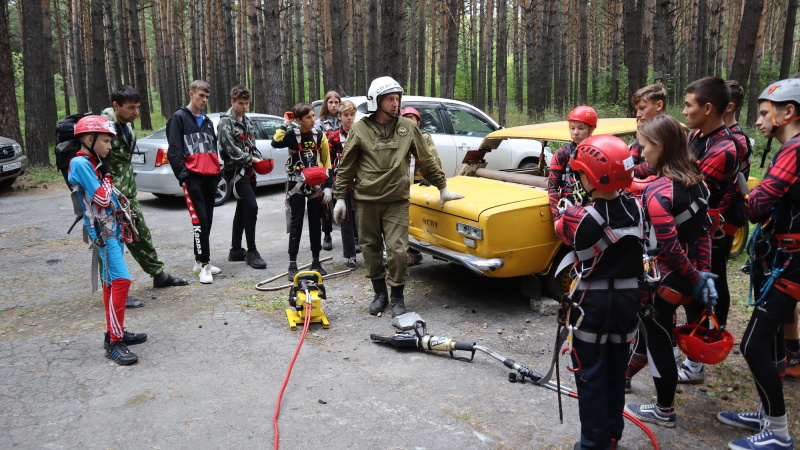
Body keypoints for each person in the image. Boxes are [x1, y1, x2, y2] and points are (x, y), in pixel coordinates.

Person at [332, 76, 463, 317]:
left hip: (396, 201)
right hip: (366, 201)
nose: (395, 104)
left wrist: (442, 187)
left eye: (397, 99)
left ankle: (398, 297)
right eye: (390, 99)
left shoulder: (407, 127)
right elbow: (347, 166)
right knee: (370, 248)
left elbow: (426, 160)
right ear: (376, 101)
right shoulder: (359, 129)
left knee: (398, 250)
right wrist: (340, 197)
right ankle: (380, 294)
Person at [716, 78, 800, 450]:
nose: (760, 120)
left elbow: (755, 207)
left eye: (766, 112)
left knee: (753, 344)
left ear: (789, 112)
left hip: (790, 263)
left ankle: (778, 432)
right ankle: (768, 415)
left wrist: (737, 180)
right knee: (775, 341)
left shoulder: (794, 151)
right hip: (784, 257)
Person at [623, 115, 715, 429]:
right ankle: (633, 377)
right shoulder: (698, 181)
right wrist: (702, 274)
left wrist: (692, 275)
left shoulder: (658, 191)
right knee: (661, 338)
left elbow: (670, 247)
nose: (641, 151)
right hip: (691, 278)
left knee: (659, 343)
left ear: (660, 146)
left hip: (661, 282)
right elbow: (704, 233)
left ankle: (664, 410)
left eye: (644, 145)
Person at [553, 134, 644, 450]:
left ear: (588, 176)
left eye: (579, 173)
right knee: (616, 371)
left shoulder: (582, 218)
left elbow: (561, 228)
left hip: (593, 303)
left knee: (591, 375)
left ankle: (592, 444)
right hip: (628, 302)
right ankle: (612, 434)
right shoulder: (638, 208)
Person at [68, 115, 147, 365]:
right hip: (103, 230)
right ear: (90, 140)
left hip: (113, 227)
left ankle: (116, 332)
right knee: (121, 280)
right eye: (106, 141)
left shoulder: (94, 162)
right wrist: (109, 178)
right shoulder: (81, 163)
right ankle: (115, 342)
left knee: (111, 282)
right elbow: (102, 199)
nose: (110, 147)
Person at [101, 86, 189, 308]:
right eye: (131, 108)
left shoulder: (126, 127)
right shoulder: (103, 129)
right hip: (109, 199)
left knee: (141, 234)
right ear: (116, 106)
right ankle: (115, 291)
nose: (136, 112)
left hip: (127, 195)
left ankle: (158, 275)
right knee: (113, 245)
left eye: (138, 107)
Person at [678, 76, 740, 384]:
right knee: (686, 290)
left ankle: (696, 363)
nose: (685, 110)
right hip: (689, 228)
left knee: (701, 293)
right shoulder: (695, 135)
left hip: (706, 234)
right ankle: (687, 349)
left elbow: (689, 183)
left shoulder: (724, 147)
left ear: (708, 108)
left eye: (689, 105)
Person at [166, 80, 221, 284]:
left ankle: (200, 260)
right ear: (191, 94)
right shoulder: (179, 118)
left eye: (207, 97)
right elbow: (174, 149)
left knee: (208, 219)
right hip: (193, 177)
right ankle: (204, 265)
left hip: (210, 176)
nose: (204, 100)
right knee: (200, 220)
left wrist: (217, 171)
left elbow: (212, 148)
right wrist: (183, 175)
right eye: (201, 96)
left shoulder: (207, 121)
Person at [272, 102, 332, 281]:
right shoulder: (292, 135)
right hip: (296, 184)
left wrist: (329, 186)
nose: (313, 120)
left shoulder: (319, 135)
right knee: (297, 223)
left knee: (315, 223)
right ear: (299, 120)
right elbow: (275, 142)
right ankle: (293, 264)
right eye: (308, 117)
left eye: (313, 115)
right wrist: (285, 123)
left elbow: (326, 160)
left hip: (316, 185)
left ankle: (316, 261)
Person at [217, 85, 267, 270]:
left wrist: (259, 159)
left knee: (242, 208)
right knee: (251, 207)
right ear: (232, 102)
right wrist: (251, 159)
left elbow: (250, 144)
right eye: (240, 103)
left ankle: (236, 249)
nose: (244, 107)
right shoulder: (225, 123)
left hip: (249, 170)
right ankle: (252, 251)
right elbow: (230, 150)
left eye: (247, 103)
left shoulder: (246, 120)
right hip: (235, 171)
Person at [401, 106, 441, 266]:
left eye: (412, 117)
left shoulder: (424, 137)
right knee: (403, 219)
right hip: (403, 184)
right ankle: (411, 253)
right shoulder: (399, 137)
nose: (409, 120)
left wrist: (431, 178)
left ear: (418, 121)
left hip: (420, 183)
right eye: (406, 117)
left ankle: (427, 250)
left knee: (420, 219)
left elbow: (433, 158)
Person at [547, 106, 598, 219]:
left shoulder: (599, 153)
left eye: (581, 128)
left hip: (595, 210)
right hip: (570, 210)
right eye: (572, 128)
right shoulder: (562, 154)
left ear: (591, 129)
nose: (575, 133)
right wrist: (556, 217)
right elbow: (552, 187)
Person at [326, 99, 359, 269]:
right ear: (339, 116)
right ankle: (350, 255)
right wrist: (331, 181)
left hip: (360, 181)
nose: (350, 118)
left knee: (364, 217)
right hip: (343, 182)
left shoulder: (359, 133)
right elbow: (329, 160)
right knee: (345, 219)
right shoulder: (332, 136)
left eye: (352, 115)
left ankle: (374, 251)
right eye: (346, 115)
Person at [317, 90, 342, 252]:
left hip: (343, 166)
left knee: (346, 199)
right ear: (326, 104)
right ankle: (327, 234)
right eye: (330, 102)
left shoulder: (344, 119)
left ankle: (353, 235)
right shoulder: (319, 122)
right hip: (326, 165)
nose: (333, 105)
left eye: (336, 102)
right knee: (326, 202)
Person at [629, 84, 667, 179]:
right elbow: (630, 160)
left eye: (642, 108)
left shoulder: (671, 132)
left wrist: (630, 169)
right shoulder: (644, 130)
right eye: (637, 109)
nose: (638, 114)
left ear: (659, 105)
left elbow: (655, 167)